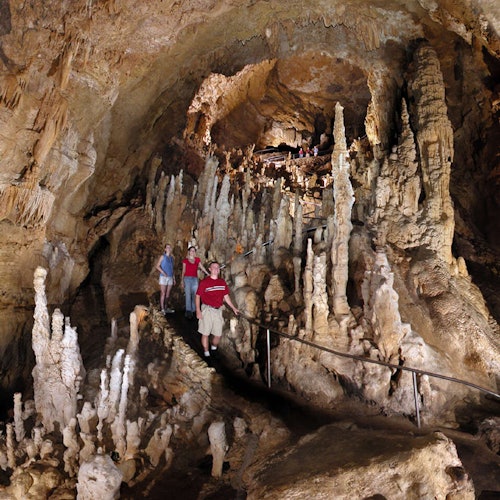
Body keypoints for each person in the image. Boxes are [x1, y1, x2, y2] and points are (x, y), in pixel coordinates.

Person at [195, 261, 239, 357]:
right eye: (214, 267)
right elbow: (198, 296)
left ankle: (213, 347)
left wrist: (233, 308)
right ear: (210, 269)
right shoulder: (204, 282)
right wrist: (198, 310)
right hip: (207, 310)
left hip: (218, 310)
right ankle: (206, 352)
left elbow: (226, 296)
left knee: (218, 334)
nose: (216, 269)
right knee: (205, 333)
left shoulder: (222, 282)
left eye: (218, 268)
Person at [181, 246, 209, 318]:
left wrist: (207, 273)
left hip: (195, 279)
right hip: (187, 279)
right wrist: (182, 281)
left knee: (195, 295)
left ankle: (194, 309)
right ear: (189, 252)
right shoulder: (185, 261)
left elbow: (201, 267)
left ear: (195, 252)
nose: (192, 252)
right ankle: (188, 310)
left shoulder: (197, 260)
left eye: (193, 251)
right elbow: (183, 271)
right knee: (188, 294)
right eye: (191, 251)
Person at [155, 243, 176, 314]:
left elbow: (172, 269)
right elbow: (157, 266)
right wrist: (163, 272)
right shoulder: (162, 257)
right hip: (163, 277)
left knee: (168, 294)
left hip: (170, 277)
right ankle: (162, 308)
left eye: (170, 247)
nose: (169, 249)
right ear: (165, 249)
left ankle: (166, 307)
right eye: (167, 247)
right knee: (163, 293)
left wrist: (174, 278)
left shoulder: (171, 258)